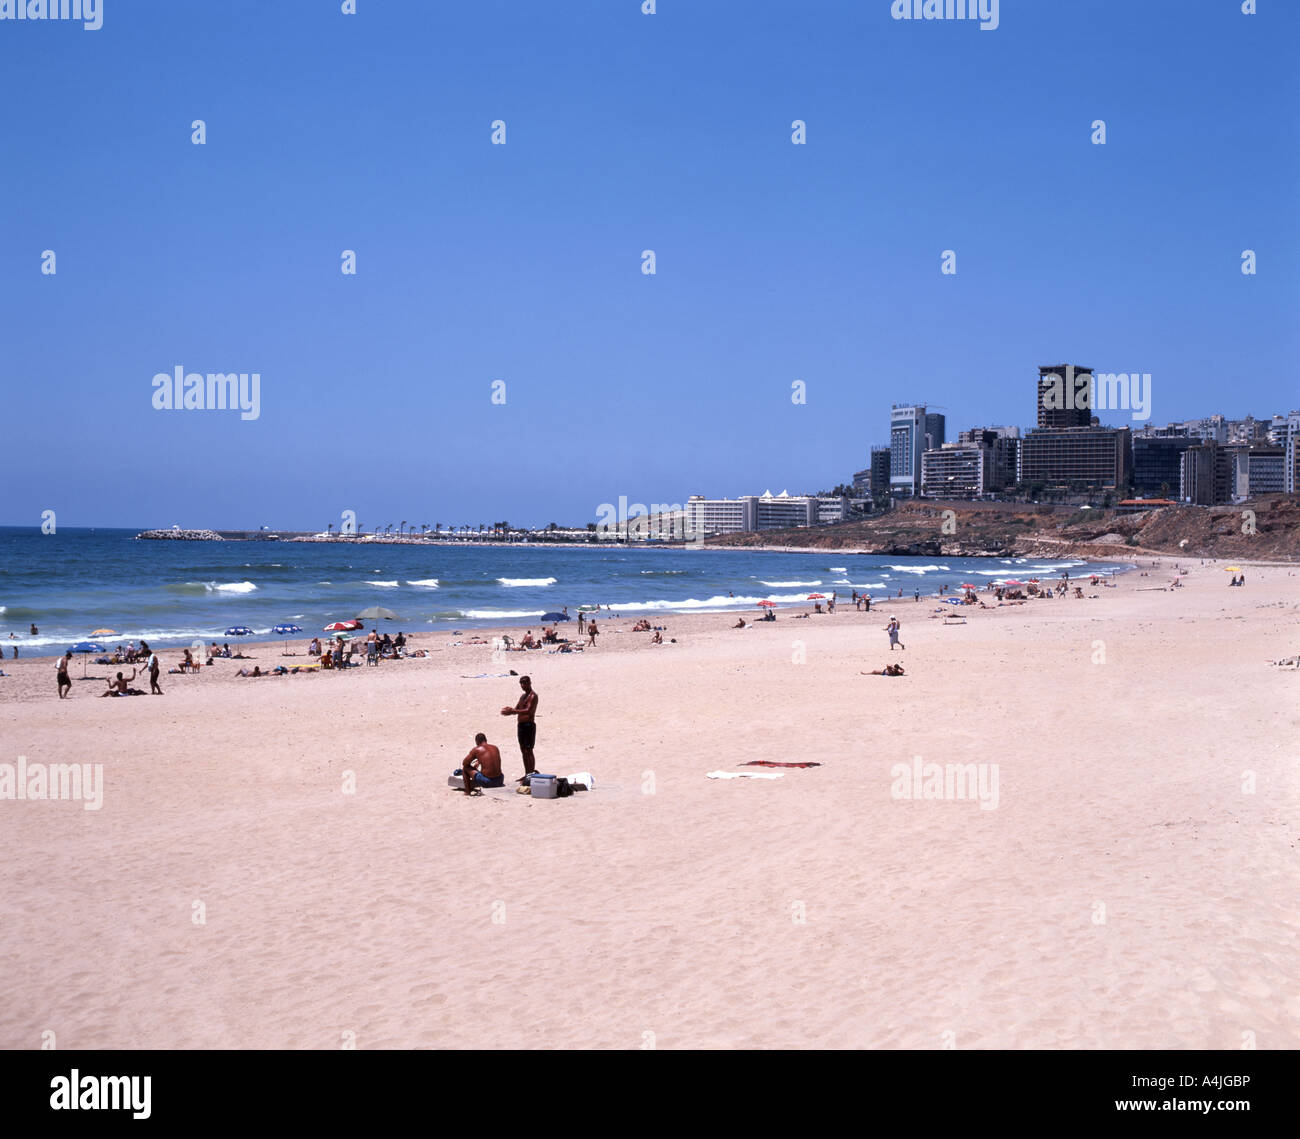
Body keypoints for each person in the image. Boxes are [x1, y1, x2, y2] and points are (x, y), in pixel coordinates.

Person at [501, 675, 539, 780]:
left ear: (530, 683)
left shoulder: (533, 696)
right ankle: (527, 773)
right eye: (521, 683)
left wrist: (513, 711)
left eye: (525, 682)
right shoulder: (522, 697)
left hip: (529, 725)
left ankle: (531, 773)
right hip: (521, 725)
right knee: (523, 750)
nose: (523, 685)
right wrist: (509, 711)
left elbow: (528, 710)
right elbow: (517, 708)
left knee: (529, 750)